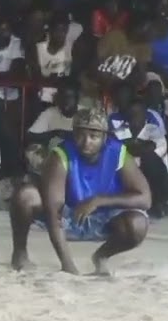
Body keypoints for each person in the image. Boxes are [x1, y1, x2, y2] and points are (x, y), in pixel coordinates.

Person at [8, 107, 151, 275]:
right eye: (81, 135)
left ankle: (101, 256)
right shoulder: (61, 155)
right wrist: (68, 266)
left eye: (94, 136)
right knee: (25, 195)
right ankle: (20, 253)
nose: (86, 142)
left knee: (138, 224)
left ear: (105, 137)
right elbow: (54, 214)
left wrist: (98, 201)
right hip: (70, 217)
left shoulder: (119, 153)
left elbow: (145, 199)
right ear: (73, 134)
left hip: (105, 218)